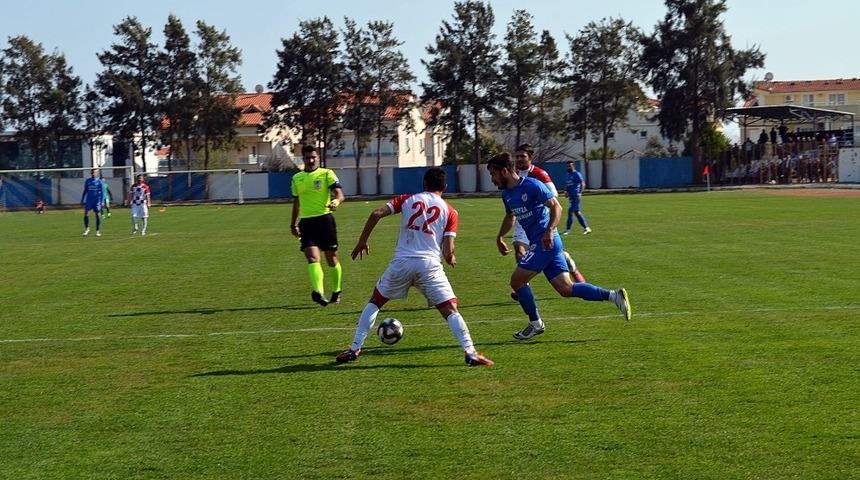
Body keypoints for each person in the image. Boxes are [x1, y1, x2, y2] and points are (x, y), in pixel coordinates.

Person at [335, 167, 494, 366]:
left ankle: (354, 348)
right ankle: (470, 352)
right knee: (450, 310)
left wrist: (362, 241)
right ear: (444, 186)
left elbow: (376, 213)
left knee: (376, 301)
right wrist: (450, 257)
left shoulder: (407, 199)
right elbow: (448, 249)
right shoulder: (450, 211)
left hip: (402, 263)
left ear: (424, 184)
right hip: (429, 266)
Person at [487, 152, 631, 340]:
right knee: (566, 289)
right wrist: (500, 237)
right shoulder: (506, 194)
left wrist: (548, 230)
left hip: (545, 242)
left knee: (517, 281)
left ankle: (535, 323)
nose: (492, 179)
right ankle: (614, 296)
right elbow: (510, 216)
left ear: (505, 171)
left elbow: (556, 206)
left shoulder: (531, 185)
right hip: (545, 244)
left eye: (493, 173)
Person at [290, 145, 345, 306]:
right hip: (306, 223)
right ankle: (319, 292)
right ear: (303, 159)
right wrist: (293, 224)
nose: (311, 160)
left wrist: (335, 201)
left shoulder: (326, 174)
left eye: (313, 157)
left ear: (318, 157)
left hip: (325, 220)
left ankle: (337, 291)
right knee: (312, 257)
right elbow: (296, 202)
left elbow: (339, 194)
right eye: (307, 158)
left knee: (331, 259)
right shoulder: (297, 178)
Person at [562, 161, 591, 236]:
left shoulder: (577, 174)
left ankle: (567, 230)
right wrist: (565, 191)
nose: (568, 167)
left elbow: (582, 184)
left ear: (573, 166)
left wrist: (580, 193)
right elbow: (567, 184)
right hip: (571, 197)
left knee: (571, 211)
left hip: (575, 196)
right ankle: (586, 228)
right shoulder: (568, 175)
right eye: (567, 166)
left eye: (570, 166)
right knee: (576, 212)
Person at [80, 169, 104, 236]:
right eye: (92, 172)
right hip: (89, 200)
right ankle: (87, 229)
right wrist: (82, 199)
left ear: (97, 173)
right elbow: (85, 190)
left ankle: (97, 230)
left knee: (98, 214)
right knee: (86, 213)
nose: (93, 174)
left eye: (95, 172)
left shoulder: (100, 181)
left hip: (97, 201)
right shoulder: (88, 181)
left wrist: (102, 201)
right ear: (91, 173)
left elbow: (102, 192)